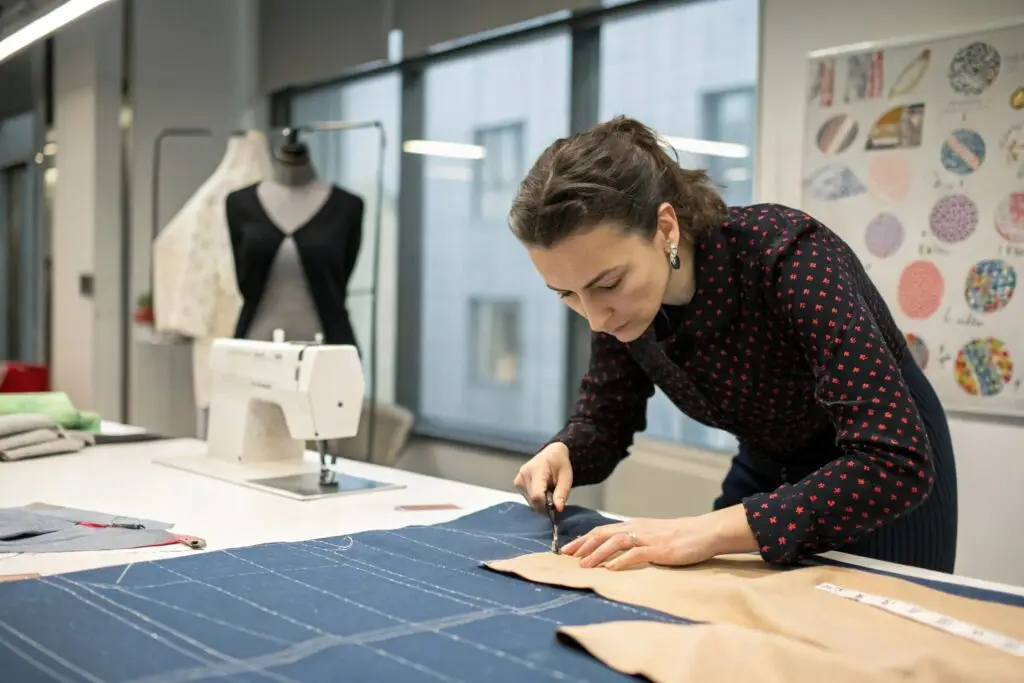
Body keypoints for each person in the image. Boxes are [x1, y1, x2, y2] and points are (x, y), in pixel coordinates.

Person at [509, 116, 957, 574]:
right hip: (768, 458)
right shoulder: (613, 306)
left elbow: (895, 462)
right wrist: (565, 451)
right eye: (566, 294)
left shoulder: (791, 257)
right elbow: (605, 418)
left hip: (878, 467)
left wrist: (696, 531)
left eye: (608, 283)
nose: (596, 318)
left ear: (665, 228)